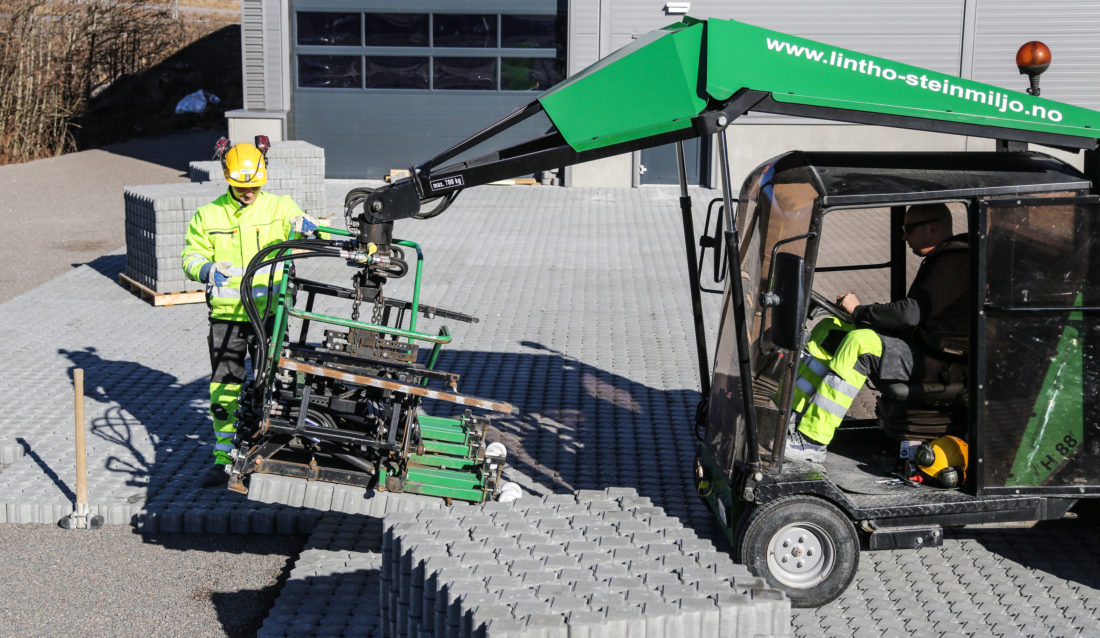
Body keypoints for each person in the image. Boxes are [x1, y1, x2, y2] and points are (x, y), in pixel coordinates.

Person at [785, 203, 969, 463]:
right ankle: (788, 416)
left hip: (941, 362)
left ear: (933, 227)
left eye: (908, 229)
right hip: (924, 347)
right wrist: (858, 314)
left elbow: (910, 314)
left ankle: (812, 442)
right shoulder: (943, 257)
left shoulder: (955, 261)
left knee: (860, 343)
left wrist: (860, 310)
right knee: (831, 329)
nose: (904, 236)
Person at [181, 139, 317, 485]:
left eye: (255, 186)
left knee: (274, 379)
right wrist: (206, 269)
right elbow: (190, 257)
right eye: (243, 187)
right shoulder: (209, 215)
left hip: (270, 313)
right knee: (226, 385)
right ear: (228, 178)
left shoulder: (278, 207)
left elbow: (300, 220)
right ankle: (225, 454)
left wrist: (305, 224)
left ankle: (270, 446)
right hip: (227, 316)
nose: (249, 193)